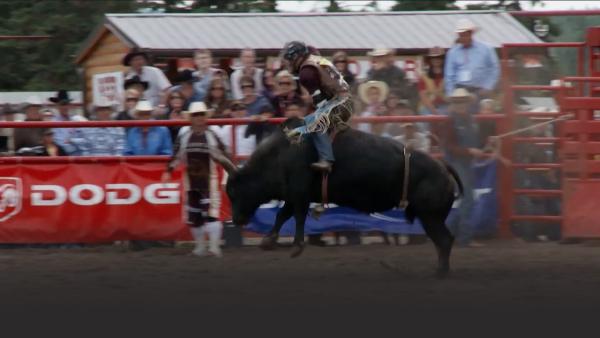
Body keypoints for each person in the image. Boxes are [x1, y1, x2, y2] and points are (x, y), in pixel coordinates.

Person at [162, 101, 229, 257]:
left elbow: (225, 156)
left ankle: (214, 248)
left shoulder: (212, 136)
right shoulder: (184, 136)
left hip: (209, 182)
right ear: (191, 118)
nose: (199, 118)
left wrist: (227, 176)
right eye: (195, 115)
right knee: (195, 216)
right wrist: (168, 171)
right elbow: (176, 155)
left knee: (211, 213)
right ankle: (199, 248)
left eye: (201, 114)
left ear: (205, 117)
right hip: (190, 183)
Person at [282, 41, 351, 173]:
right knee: (307, 123)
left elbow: (319, 101)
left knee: (316, 121)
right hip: (343, 100)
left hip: (340, 103)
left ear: (296, 57)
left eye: (289, 59)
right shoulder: (314, 59)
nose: (288, 63)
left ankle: (326, 159)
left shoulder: (306, 73)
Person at [441, 88, 487, 248]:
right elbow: (449, 147)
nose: (460, 105)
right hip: (455, 163)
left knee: (466, 199)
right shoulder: (450, 121)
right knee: (467, 198)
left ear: (467, 103)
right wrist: (470, 151)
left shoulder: (470, 120)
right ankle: (464, 238)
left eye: (462, 102)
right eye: (457, 102)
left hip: (465, 163)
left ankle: (447, 232)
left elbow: (476, 141)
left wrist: (486, 143)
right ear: (453, 104)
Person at [444, 19, 500, 100]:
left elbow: (494, 68)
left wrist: (488, 86)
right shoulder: (453, 52)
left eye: (465, 34)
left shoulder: (486, 48)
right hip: (460, 91)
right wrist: (450, 94)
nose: (463, 37)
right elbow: (449, 75)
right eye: (461, 35)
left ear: (471, 33)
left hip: (480, 89)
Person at [240, 75, 276, 144]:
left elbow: (268, 114)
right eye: (243, 87)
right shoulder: (238, 104)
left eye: (249, 86)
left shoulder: (262, 101)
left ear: (253, 88)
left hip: (258, 134)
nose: (246, 89)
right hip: (241, 135)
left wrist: (258, 117)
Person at [49, 90, 86, 155]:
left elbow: (87, 139)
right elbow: (62, 145)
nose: (65, 107)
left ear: (69, 105)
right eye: (62, 104)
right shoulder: (53, 122)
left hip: (80, 156)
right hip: (64, 157)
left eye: (66, 104)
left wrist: (72, 140)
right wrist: (77, 142)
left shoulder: (78, 119)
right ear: (57, 106)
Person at [418, 47, 447, 116]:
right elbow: (423, 97)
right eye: (434, 58)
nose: (436, 60)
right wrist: (434, 112)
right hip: (427, 107)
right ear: (430, 60)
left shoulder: (449, 75)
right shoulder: (423, 77)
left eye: (439, 57)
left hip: (446, 106)